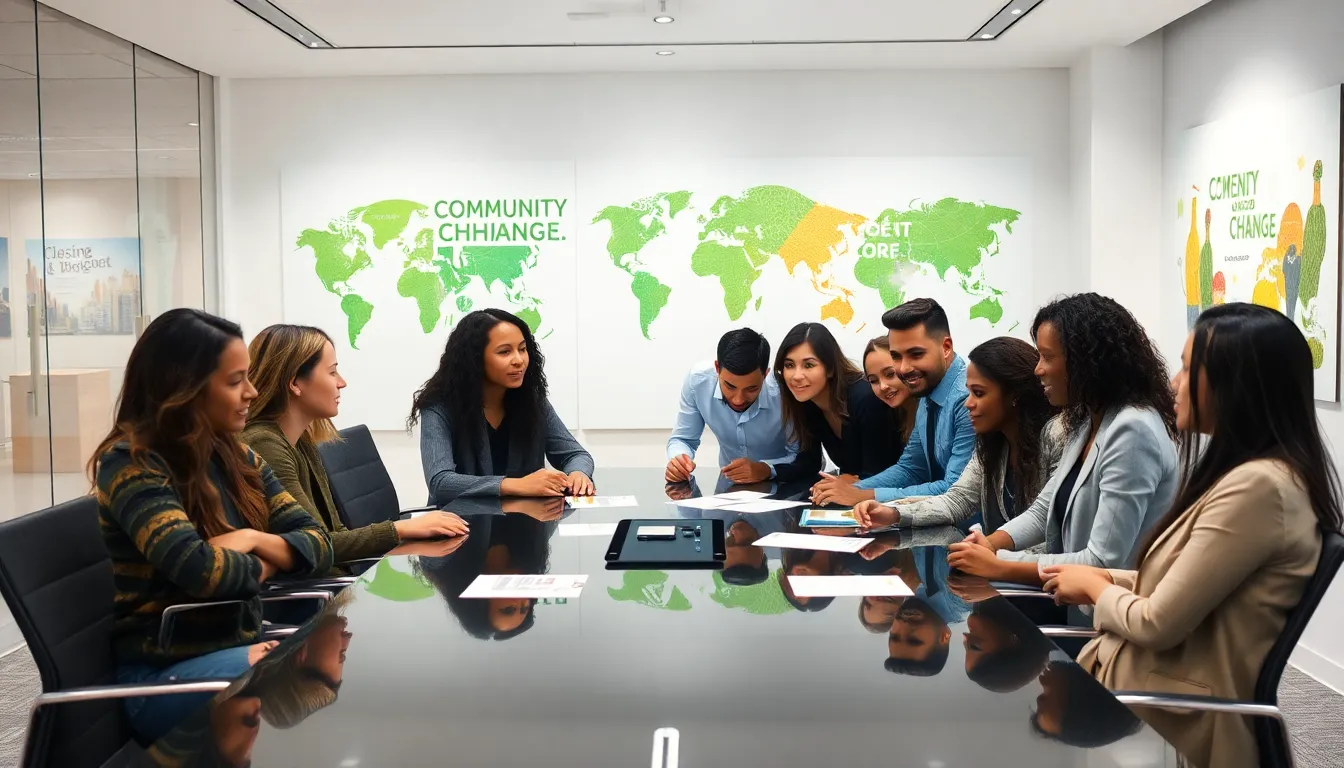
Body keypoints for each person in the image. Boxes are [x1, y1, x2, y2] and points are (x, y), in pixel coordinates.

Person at [1042, 303, 1344, 768]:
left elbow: (1156, 623)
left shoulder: (1260, 487)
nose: (1173, 383)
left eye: (1187, 367)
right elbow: (1173, 584)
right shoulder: (1245, 476)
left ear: (1235, 383)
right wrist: (1096, 578)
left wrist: (1096, 586)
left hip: (1167, 716)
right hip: (1144, 695)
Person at [91, 308, 334, 741]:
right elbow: (203, 573)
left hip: (236, 651)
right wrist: (274, 559)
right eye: (235, 381)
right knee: (288, 685)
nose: (252, 392)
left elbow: (317, 543)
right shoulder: (132, 463)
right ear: (186, 389)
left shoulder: (238, 458)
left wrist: (250, 538)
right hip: (162, 678)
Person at [948, 294, 1179, 586]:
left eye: (1047, 357)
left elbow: (1100, 561)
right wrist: (991, 544)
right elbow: (1043, 510)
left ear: (1085, 361)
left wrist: (999, 564)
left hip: (1109, 618)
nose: (1038, 369)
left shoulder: (1133, 430)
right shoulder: (1086, 420)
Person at [243, 324, 469, 567]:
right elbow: (316, 546)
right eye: (331, 373)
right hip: (315, 596)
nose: (342, 383)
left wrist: (407, 533)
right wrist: (401, 529)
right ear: (296, 383)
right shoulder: (265, 445)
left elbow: (333, 531)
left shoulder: (302, 442)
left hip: (336, 584)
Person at [853, 336, 1064, 534]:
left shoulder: (1056, 438)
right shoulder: (992, 444)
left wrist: (994, 554)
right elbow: (957, 499)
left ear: (1014, 394)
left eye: (978, 393)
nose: (968, 403)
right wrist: (893, 514)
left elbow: (1051, 533)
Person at [411, 308, 596, 504]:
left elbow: (575, 454)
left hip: (525, 523)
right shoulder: (439, 407)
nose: (519, 360)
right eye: (505, 352)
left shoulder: (531, 400)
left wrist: (578, 474)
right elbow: (440, 483)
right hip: (461, 525)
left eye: (523, 349)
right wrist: (517, 485)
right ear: (475, 359)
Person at [816, 298, 975, 506]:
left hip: (975, 531)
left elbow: (953, 489)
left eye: (916, 354)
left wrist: (866, 495)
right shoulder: (927, 391)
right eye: (896, 357)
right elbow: (911, 468)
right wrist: (846, 489)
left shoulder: (968, 398)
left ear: (946, 347)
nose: (904, 368)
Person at [769, 323, 904, 491]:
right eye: (789, 365)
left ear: (830, 368)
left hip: (892, 498)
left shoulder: (865, 398)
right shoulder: (807, 403)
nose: (796, 376)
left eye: (809, 365)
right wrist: (767, 470)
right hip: (856, 497)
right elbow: (808, 464)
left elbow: (879, 472)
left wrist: (849, 481)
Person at [665, 328, 798, 485]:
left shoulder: (786, 392)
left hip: (785, 488)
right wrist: (680, 460)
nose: (738, 399)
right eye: (729, 386)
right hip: (729, 490)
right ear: (717, 368)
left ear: (765, 374)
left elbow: (803, 458)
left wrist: (767, 469)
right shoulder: (698, 382)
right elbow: (683, 439)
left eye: (752, 388)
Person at [861, 335, 917, 446]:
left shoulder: (933, 410)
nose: (883, 386)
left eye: (890, 374)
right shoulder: (890, 416)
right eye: (873, 381)